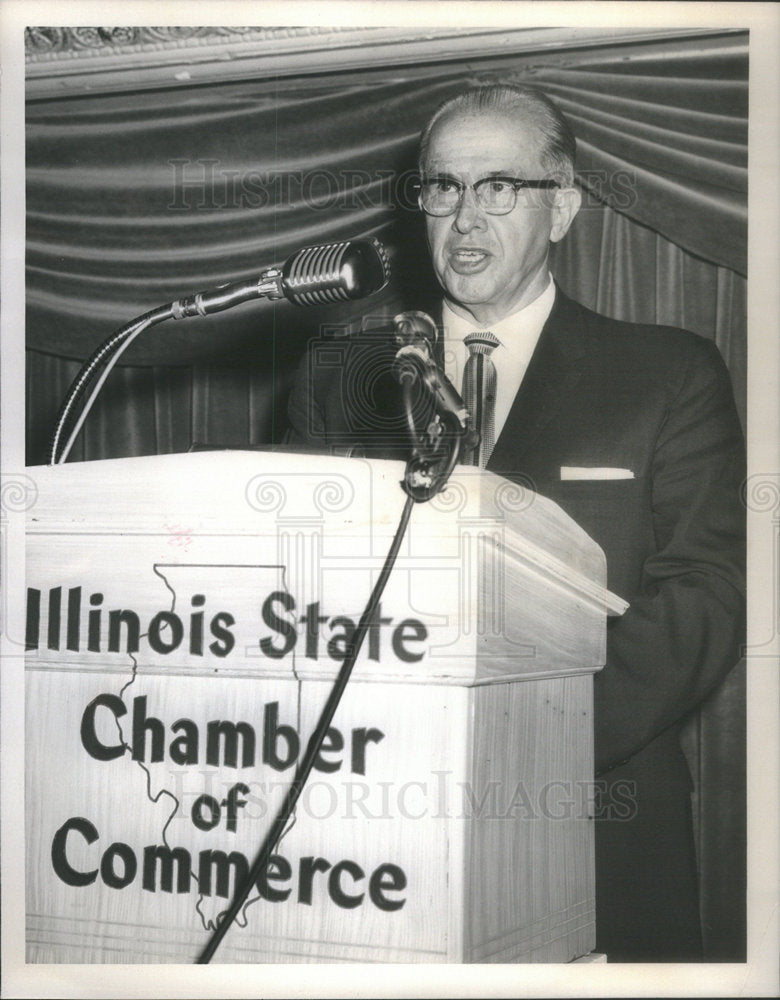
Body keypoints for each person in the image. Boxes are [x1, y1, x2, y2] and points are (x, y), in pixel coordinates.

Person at [286, 84, 746, 962]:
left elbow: (707, 597)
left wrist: (507, 746)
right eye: (442, 187)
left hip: (596, 812)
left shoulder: (668, 375)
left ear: (563, 207)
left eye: (499, 187)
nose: (464, 217)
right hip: (376, 827)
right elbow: (296, 595)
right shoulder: (340, 374)